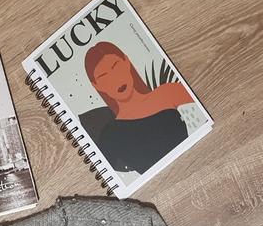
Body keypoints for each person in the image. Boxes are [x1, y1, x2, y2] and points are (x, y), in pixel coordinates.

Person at [83, 41, 194, 175]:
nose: (116, 79)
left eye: (116, 67)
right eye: (104, 77)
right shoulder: (110, 136)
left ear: (126, 62)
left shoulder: (169, 93)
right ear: (97, 85)